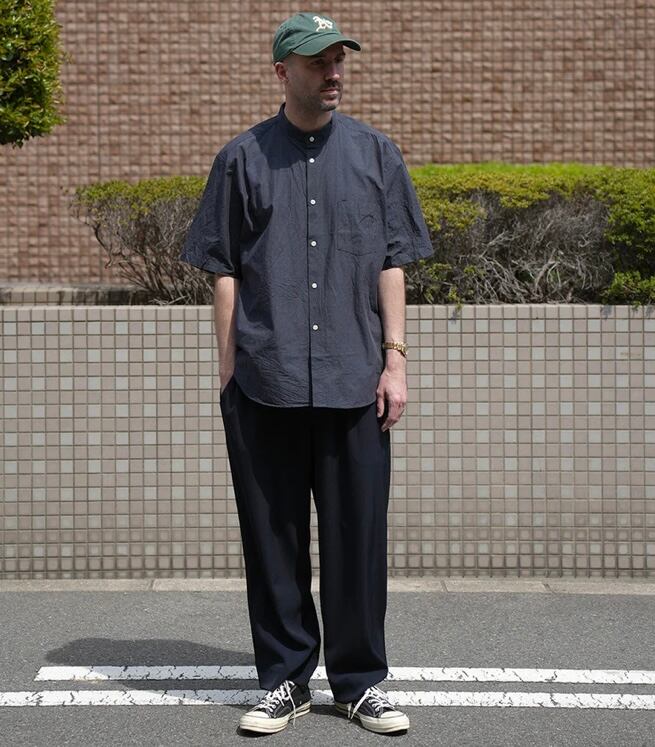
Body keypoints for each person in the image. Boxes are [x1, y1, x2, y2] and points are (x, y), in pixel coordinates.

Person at [179, 11, 433, 736]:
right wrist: (229, 371)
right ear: (281, 71)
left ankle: (359, 682)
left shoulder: (376, 154)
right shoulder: (242, 159)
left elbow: (392, 261)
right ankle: (285, 681)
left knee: (358, 539)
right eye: (318, 61)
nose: (333, 72)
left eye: (338, 60)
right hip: (267, 380)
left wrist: (395, 361)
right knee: (273, 540)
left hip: (356, 380)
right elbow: (224, 270)